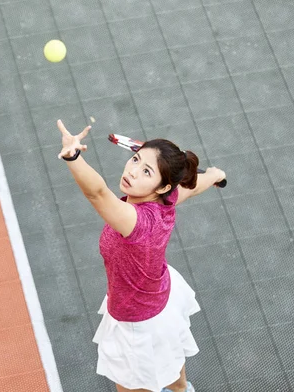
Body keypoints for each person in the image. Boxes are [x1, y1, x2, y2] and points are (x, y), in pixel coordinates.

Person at [56, 120, 226, 392]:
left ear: (161, 187)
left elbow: (97, 193)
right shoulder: (166, 200)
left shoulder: (135, 221)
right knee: (172, 369)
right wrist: (214, 175)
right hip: (161, 298)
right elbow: (190, 187)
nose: (132, 172)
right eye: (135, 160)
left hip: (138, 322)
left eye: (146, 171)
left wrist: (73, 157)